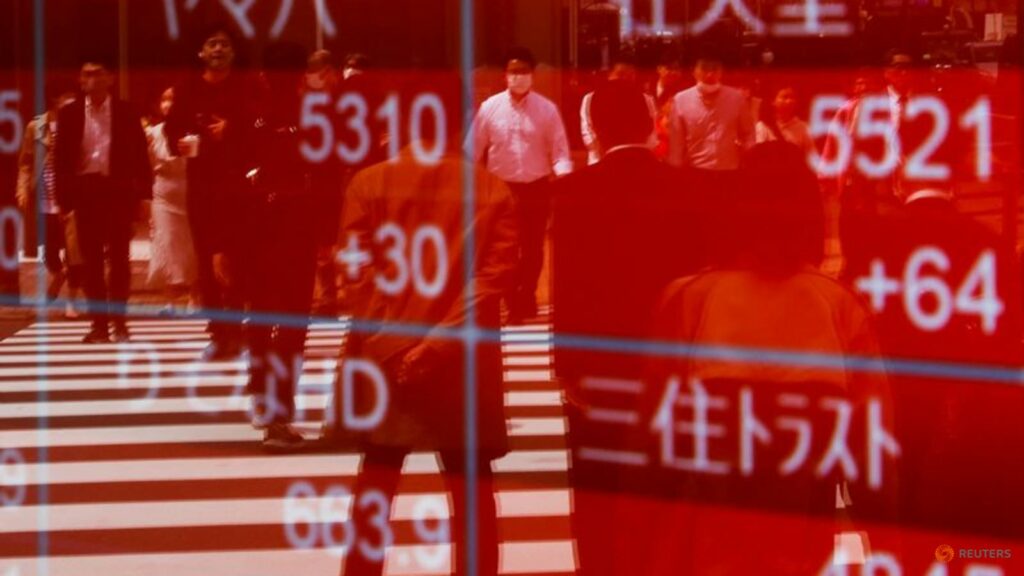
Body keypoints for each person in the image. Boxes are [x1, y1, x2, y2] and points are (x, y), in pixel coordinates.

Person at [638, 142, 892, 574]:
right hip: (802, 543)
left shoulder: (688, 300)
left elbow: (652, 446)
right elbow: (874, 458)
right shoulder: (841, 307)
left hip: (707, 544)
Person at [330, 109, 518, 575]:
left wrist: (394, 341)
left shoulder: (368, 183)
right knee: (471, 490)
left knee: (377, 481)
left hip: (385, 355)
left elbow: (355, 270)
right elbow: (492, 279)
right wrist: (435, 344)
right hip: (461, 361)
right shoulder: (491, 188)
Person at [551, 80, 709, 576]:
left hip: (599, 365)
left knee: (598, 490)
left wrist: (566, 366)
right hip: (670, 364)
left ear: (595, 128)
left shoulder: (573, 190)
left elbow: (567, 284)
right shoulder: (688, 187)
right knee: (667, 488)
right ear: (648, 127)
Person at [243, 42, 329, 450]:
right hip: (296, 227)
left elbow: (236, 179)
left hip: (258, 228)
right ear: (302, 74)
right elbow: (325, 173)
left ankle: (264, 399)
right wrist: (328, 235)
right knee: (292, 323)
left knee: (262, 318)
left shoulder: (252, 114)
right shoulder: (312, 114)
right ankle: (277, 413)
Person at [165, 23, 260, 360]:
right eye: (212, 44)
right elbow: (171, 131)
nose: (218, 49)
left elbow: (262, 127)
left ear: (233, 52)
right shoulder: (187, 88)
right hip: (202, 186)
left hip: (239, 185)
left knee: (238, 259)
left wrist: (230, 131)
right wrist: (179, 142)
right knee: (206, 262)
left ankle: (240, 330)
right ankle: (218, 333)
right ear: (201, 52)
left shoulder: (249, 86)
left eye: (224, 44)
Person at [468, 47, 572, 321]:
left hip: (536, 187)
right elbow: (473, 150)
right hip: (501, 189)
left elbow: (560, 152)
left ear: (532, 74)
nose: (518, 76)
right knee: (505, 249)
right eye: (513, 71)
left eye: (523, 71)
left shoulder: (547, 110)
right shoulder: (490, 108)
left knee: (533, 247)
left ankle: (526, 294)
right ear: (505, 75)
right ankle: (511, 298)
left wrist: (565, 182)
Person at [54, 59, 152, 344]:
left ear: (110, 78)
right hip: (85, 192)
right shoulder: (69, 114)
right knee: (91, 262)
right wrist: (63, 201)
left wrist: (144, 195)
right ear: (80, 79)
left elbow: (140, 155)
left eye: (98, 74)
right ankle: (99, 324)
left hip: (117, 191)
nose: (92, 79)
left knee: (120, 260)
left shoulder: (126, 111)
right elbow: (60, 160)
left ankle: (120, 323)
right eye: (86, 74)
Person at [17, 91, 84, 316]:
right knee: (49, 251)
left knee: (75, 254)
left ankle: (71, 302)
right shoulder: (36, 127)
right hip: (45, 199)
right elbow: (26, 162)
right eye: (68, 99)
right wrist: (22, 188)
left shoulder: (78, 124)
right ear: (56, 100)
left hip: (71, 200)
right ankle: (59, 274)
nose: (72, 103)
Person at [146, 87, 197, 314]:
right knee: (166, 243)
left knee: (192, 246)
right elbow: (147, 168)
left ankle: (195, 297)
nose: (167, 104)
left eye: (172, 100)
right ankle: (170, 302)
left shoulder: (194, 131)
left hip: (190, 193)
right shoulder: (152, 133)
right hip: (163, 195)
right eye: (164, 99)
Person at [667, 53, 755, 176]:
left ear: (721, 71)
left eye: (714, 69)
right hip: (695, 171)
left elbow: (748, 132)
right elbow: (676, 142)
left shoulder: (736, 98)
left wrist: (747, 158)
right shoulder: (681, 100)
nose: (709, 75)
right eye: (704, 69)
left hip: (730, 170)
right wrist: (674, 172)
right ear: (694, 71)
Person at [579, 60, 657, 165]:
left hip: (637, 160)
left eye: (630, 75)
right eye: (620, 74)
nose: (624, 79)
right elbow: (587, 132)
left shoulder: (646, 99)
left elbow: (652, 133)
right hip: (600, 159)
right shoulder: (591, 98)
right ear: (609, 74)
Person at [755, 85, 814, 154]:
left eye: (792, 97)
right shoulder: (763, 126)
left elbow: (810, 154)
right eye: (785, 97)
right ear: (773, 101)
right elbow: (760, 154)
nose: (789, 101)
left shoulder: (804, 127)